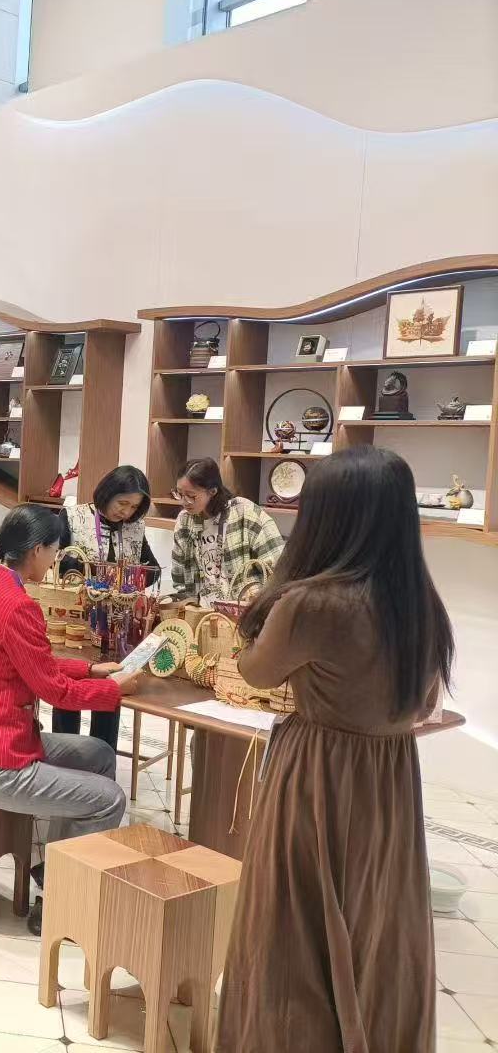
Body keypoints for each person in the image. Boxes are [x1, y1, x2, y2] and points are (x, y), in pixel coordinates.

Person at [218, 446, 452, 1052]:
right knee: (380, 924)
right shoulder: (421, 605)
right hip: (390, 780)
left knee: (291, 928)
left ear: (329, 518)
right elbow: (423, 702)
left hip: (315, 773)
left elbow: (254, 671)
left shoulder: (312, 603)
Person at [0, 504, 140, 933]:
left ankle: (55, 869)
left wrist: (90, 669)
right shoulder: (17, 605)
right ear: (36, 550)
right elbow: (55, 692)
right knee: (109, 798)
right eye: (54, 552)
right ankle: (58, 900)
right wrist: (114, 691)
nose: (55, 561)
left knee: (99, 754)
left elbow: (36, 664)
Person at [53, 464, 159, 749]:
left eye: (134, 507)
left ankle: (103, 756)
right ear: (107, 493)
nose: (126, 512)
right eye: (122, 503)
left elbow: (153, 569)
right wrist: (90, 573)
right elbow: (56, 562)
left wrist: (129, 577)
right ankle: (66, 753)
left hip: (117, 627)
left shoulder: (135, 527)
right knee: (70, 689)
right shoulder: (74, 516)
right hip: (77, 621)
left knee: (111, 688)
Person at [169, 457, 283, 604]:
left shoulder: (244, 512)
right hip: (202, 612)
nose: (184, 501)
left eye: (191, 496)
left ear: (212, 491)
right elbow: (179, 580)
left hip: (242, 609)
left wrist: (258, 598)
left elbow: (279, 568)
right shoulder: (184, 521)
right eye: (179, 493)